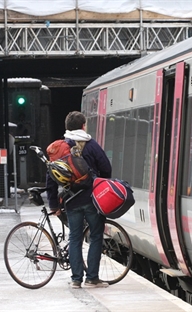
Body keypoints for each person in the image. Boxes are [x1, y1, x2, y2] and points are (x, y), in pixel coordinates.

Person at [46, 111, 112, 289]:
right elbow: (106, 168)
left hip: (71, 200)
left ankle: (76, 279)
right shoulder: (91, 145)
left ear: (66, 128)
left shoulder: (61, 147)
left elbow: (51, 177)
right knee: (96, 236)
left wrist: (53, 203)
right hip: (92, 199)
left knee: (75, 237)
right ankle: (92, 277)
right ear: (83, 126)